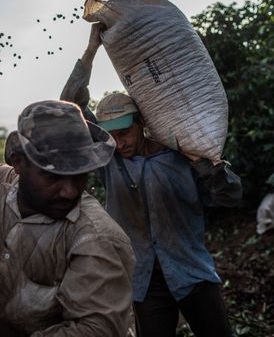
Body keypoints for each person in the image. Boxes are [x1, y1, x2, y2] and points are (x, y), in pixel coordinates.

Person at [60, 24, 243, 337]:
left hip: (192, 271)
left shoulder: (180, 156)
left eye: (125, 133)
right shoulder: (108, 159)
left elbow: (230, 196)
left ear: (141, 123)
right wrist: (92, 50)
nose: (119, 144)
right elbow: (70, 104)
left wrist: (208, 166)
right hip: (143, 280)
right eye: (111, 136)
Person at [0, 100, 135, 337]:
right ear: (18, 162)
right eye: (54, 175)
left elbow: (97, 329)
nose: (70, 191)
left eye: (79, 175)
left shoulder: (97, 238)